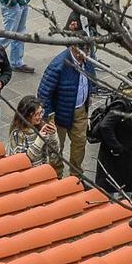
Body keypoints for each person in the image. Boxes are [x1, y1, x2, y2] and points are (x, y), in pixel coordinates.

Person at [36, 37, 97, 177]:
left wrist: (91, 92)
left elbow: (92, 79)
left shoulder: (87, 61)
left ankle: (75, 175)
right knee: (56, 148)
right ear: (74, 48)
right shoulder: (58, 65)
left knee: (80, 143)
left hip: (80, 110)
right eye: (83, 51)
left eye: (88, 50)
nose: (86, 54)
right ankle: (56, 176)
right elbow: (44, 94)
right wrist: (48, 118)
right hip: (59, 114)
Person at [88, 82, 132, 199]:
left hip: (127, 154)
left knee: (123, 186)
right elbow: (105, 126)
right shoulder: (121, 105)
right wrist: (117, 147)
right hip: (115, 156)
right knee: (109, 190)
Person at [8, 93, 56, 165]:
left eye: (41, 112)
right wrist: (39, 141)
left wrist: (53, 135)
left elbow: (54, 152)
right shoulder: (17, 133)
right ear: (27, 115)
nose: (40, 117)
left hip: (42, 168)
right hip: (27, 172)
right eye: (36, 114)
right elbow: (23, 161)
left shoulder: (41, 126)